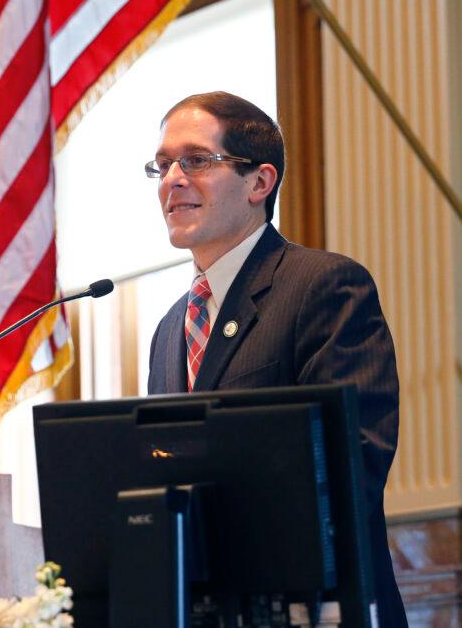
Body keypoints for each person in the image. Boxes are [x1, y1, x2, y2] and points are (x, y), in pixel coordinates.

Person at [146, 91, 407, 626]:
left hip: (311, 609)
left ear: (260, 183)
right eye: (163, 164)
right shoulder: (169, 329)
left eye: (195, 160)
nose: (172, 179)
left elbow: (351, 463)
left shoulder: (323, 286)